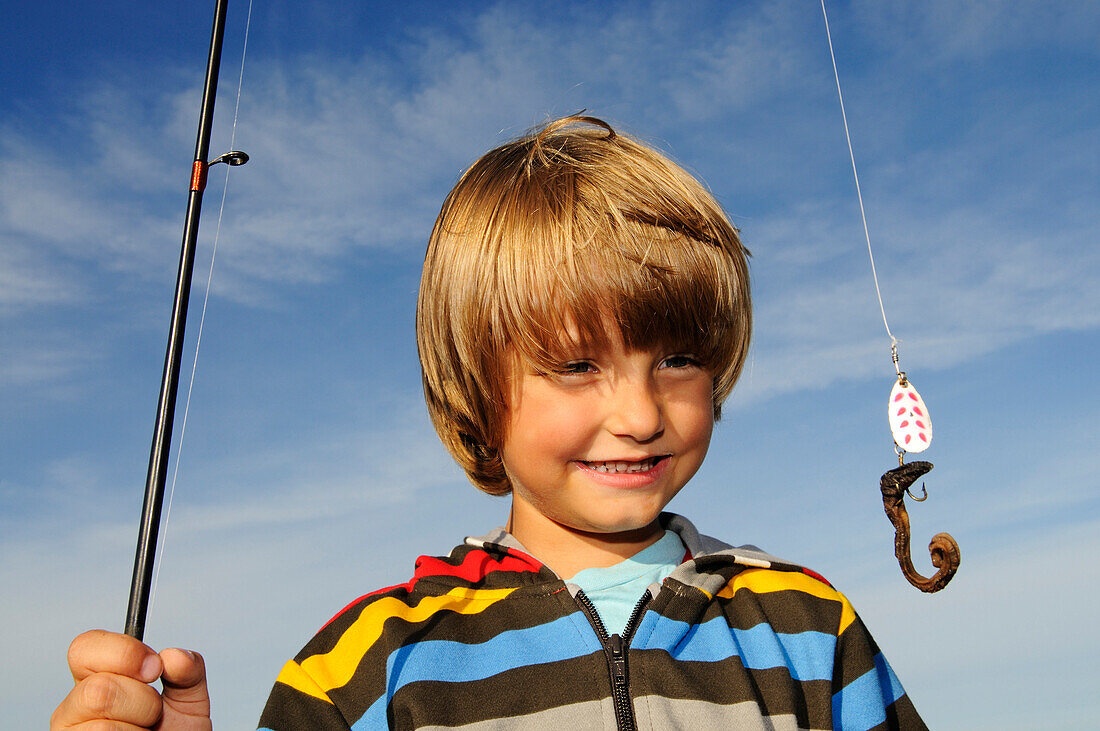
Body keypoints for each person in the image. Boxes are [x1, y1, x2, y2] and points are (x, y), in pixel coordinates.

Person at [52, 116, 926, 730]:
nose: (638, 414)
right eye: (577, 365)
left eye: (677, 358)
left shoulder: (809, 626)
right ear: (477, 394)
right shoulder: (367, 664)